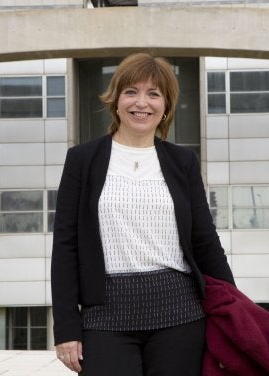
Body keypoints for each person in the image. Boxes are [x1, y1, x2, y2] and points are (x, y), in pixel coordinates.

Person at [50, 52, 235, 376]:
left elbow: (205, 241)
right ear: (116, 99)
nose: (142, 103)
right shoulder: (82, 160)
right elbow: (66, 245)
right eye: (131, 92)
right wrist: (67, 328)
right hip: (105, 315)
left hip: (179, 314)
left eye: (154, 94)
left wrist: (235, 310)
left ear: (166, 105)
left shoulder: (182, 162)